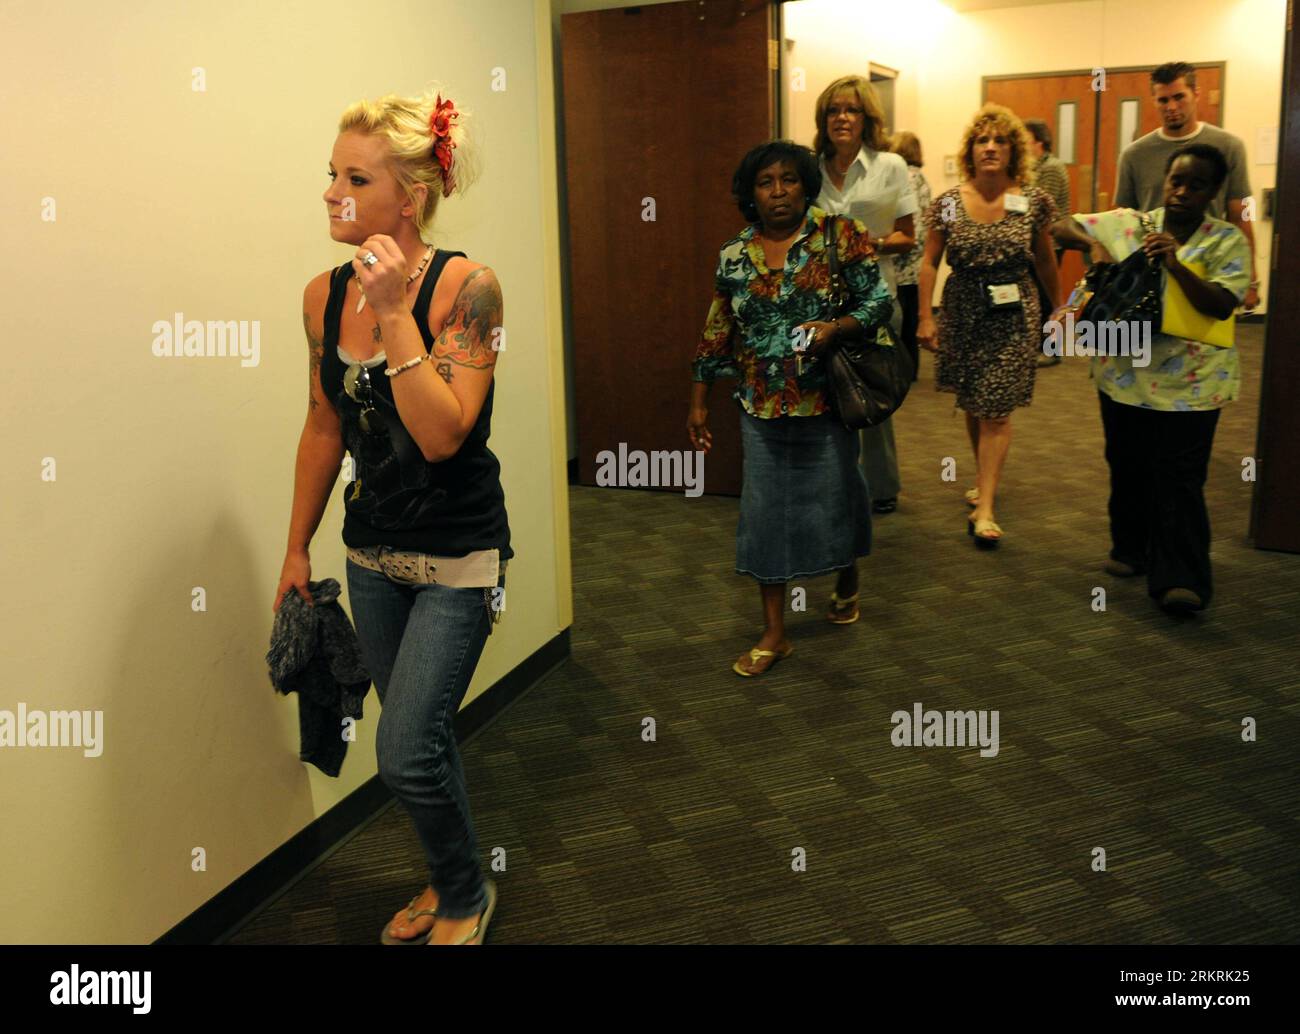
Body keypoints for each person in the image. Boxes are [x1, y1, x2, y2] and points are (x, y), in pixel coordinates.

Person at [274, 87, 508, 945]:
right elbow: (323, 425)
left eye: (355, 178)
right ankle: (450, 879)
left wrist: (399, 316)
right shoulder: (319, 297)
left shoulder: (468, 290)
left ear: (408, 196)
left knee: (406, 749)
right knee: (421, 738)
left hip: (459, 560)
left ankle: (465, 895)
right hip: (372, 559)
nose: (333, 193)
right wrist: (295, 550)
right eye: (331, 175)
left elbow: (444, 436)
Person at [689, 140, 894, 675]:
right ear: (750, 193)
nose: (778, 192)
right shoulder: (734, 255)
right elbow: (718, 330)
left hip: (827, 401)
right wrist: (699, 402)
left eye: (788, 180)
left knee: (838, 496)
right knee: (765, 515)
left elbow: (879, 302)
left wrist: (837, 328)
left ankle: (847, 574)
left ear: (806, 184)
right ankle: (775, 632)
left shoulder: (839, 235)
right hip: (759, 405)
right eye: (765, 182)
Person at [1053, 144, 1250, 614]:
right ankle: (1130, 548)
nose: (1182, 192)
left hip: (1194, 384)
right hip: (1126, 374)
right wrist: (1094, 243)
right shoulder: (1133, 223)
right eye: (1175, 182)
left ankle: (1180, 579)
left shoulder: (1226, 241)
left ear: (1213, 191)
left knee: (1179, 478)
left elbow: (1222, 304)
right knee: (1127, 465)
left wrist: (1177, 263)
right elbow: (1060, 225)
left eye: (1196, 185)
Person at [916, 103, 1060, 546]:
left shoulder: (1033, 202)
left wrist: (1058, 310)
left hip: (1015, 314)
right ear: (971, 151)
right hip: (963, 313)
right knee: (975, 401)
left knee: (997, 408)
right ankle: (984, 478)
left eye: (1000, 140)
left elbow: (1046, 259)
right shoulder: (947, 204)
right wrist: (925, 315)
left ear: (1014, 150)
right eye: (983, 140)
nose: (991, 147)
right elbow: (928, 262)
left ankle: (987, 507)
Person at [812, 75, 917, 515]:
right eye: (834, 110)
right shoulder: (810, 167)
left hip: (875, 298)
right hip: (818, 301)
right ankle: (834, 480)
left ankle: (881, 485)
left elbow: (907, 237)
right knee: (825, 396)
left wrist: (864, 245)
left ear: (866, 118)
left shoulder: (891, 166)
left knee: (873, 392)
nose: (842, 118)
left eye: (851, 110)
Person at [1115, 62, 1259, 312]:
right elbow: (1121, 220)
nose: (1171, 107)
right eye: (1163, 100)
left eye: (1179, 97)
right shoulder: (1134, 154)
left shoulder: (1229, 146)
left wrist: (1251, 278)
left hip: (1210, 270)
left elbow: (1242, 213)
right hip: (1153, 270)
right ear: (1154, 101)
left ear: (1196, 95)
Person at [1023, 118, 1071, 368]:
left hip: (1049, 242)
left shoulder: (1051, 168)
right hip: (1036, 242)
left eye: (1026, 140)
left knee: (1046, 297)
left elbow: (1041, 208)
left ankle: (1052, 349)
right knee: (1038, 298)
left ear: (1039, 142)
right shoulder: (1035, 168)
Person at [890, 131, 932, 382]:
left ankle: (902, 370)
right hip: (919, 261)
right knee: (911, 321)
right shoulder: (923, 179)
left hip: (901, 261)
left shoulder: (902, 178)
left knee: (900, 320)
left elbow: (909, 223)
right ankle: (912, 369)